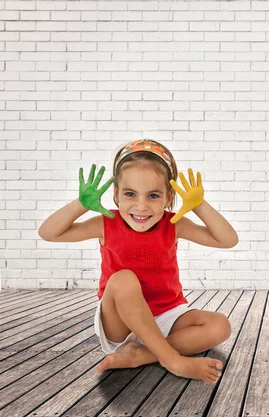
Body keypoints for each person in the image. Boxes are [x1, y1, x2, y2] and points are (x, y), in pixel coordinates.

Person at [38, 139, 238, 384]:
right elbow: (48, 232)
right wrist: (80, 205)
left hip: (166, 315)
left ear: (168, 197)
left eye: (153, 195)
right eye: (130, 194)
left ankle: (141, 355)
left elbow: (227, 240)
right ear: (116, 194)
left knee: (220, 326)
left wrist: (199, 206)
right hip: (120, 324)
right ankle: (172, 360)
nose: (141, 206)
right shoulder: (106, 223)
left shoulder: (173, 224)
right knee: (123, 279)